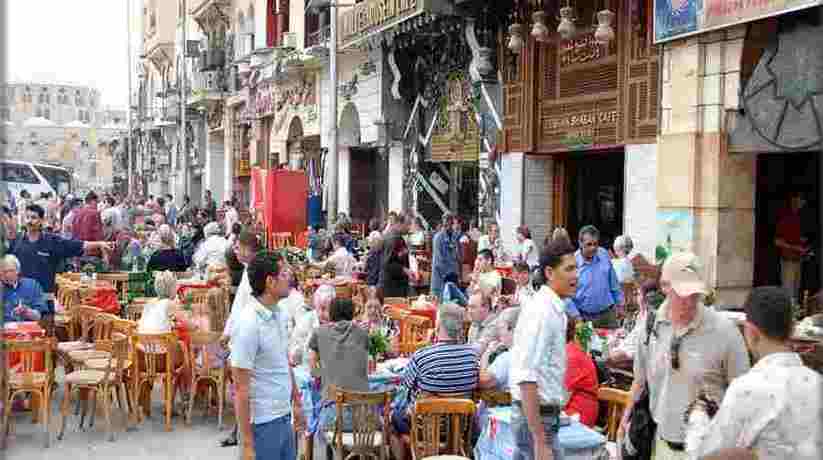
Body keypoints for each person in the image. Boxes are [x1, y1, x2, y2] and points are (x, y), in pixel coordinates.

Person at [618, 252, 750, 460]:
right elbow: (640, 381)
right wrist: (624, 423)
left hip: (707, 451)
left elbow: (743, 398)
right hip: (660, 446)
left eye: (694, 294)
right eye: (682, 293)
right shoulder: (651, 326)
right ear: (665, 287)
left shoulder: (725, 332)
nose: (689, 301)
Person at [694, 286, 822, 460]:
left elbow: (708, 454)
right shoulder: (818, 383)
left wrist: (699, 416)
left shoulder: (746, 389)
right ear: (792, 329)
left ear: (751, 333)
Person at [230, 251, 305, 460]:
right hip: (262, 423)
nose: (288, 276)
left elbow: (284, 362)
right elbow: (240, 387)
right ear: (270, 282)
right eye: (283, 273)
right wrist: (246, 443)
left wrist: (297, 402)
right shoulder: (249, 322)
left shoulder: (278, 313)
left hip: (284, 417)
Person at [509, 237, 577, 460]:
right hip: (537, 419)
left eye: (575, 268)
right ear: (549, 273)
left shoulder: (552, 308)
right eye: (568, 269)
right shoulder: (543, 312)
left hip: (542, 417)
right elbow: (526, 376)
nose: (575, 275)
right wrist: (539, 439)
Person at [389, 303, 479, 460]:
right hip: (460, 429)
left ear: (439, 324)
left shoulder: (422, 356)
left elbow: (405, 387)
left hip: (425, 428)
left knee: (392, 417)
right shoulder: (472, 356)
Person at [6, 204, 111, 315]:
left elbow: (76, 245)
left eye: (33, 217)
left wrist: (99, 244)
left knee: (45, 331)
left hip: (44, 302)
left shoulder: (52, 242)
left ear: (42, 220)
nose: (29, 221)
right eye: (27, 217)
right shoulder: (16, 243)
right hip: (19, 301)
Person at [307, 298, 369, 397]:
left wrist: (320, 376)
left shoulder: (319, 333)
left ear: (331, 312)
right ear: (352, 312)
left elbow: (312, 365)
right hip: (360, 402)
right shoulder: (362, 334)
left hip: (333, 400)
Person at [570, 225, 623, 328]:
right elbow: (567, 295)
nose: (593, 248)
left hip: (608, 315)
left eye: (595, 244)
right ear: (580, 243)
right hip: (584, 318)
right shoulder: (572, 263)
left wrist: (620, 304)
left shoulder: (603, 254)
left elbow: (613, 282)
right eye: (589, 244)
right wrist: (576, 316)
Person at [563, 318, 599, 428]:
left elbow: (560, 399)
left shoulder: (571, 356)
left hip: (577, 418)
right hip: (569, 413)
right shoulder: (568, 351)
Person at [774, 191, 810, 301]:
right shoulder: (785, 217)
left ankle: (793, 315)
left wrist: (802, 243)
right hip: (788, 260)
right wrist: (795, 248)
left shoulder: (798, 217)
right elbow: (777, 241)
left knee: (795, 291)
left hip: (798, 260)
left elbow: (793, 237)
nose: (803, 204)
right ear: (794, 200)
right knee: (788, 292)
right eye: (801, 200)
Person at [289, 285, 335, 366]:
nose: (322, 314)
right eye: (319, 308)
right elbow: (294, 355)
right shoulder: (305, 321)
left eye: (326, 309)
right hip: (306, 369)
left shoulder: (338, 320)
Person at [2, 254, 48, 322]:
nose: (7, 275)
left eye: (10, 271)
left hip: (26, 329)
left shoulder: (32, 285)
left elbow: (39, 316)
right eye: (4, 272)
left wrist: (27, 311)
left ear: (18, 271)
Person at [430, 214, 461, 300]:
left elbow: (457, 256)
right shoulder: (438, 238)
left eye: (450, 223)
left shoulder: (454, 237)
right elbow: (439, 261)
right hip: (442, 277)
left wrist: (457, 275)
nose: (448, 226)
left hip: (453, 275)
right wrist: (449, 273)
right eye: (446, 223)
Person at [467, 291, 499, 356]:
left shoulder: (495, 325)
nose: (469, 311)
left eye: (473, 307)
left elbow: (478, 350)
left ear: (486, 308)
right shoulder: (474, 324)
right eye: (468, 307)